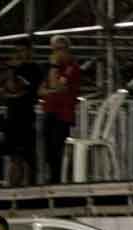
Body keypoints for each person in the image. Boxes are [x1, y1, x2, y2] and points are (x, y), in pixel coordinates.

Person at [38, 35, 81, 184]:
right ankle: (53, 177)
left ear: (67, 49)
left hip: (63, 113)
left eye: (60, 49)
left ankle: (58, 180)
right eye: (54, 50)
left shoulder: (71, 66)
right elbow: (41, 91)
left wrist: (55, 68)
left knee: (58, 147)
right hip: (49, 110)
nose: (57, 53)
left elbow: (57, 86)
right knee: (48, 148)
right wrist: (52, 86)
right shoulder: (50, 67)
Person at [2, 40, 43, 186]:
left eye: (22, 50)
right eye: (17, 50)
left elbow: (21, 90)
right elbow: (9, 90)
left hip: (26, 117)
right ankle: (13, 188)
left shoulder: (34, 69)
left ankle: (31, 189)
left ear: (29, 51)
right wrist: (11, 70)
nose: (19, 54)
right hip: (12, 117)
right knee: (14, 157)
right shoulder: (12, 70)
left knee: (29, 157)